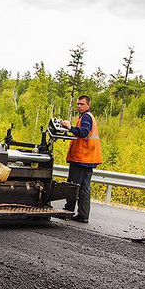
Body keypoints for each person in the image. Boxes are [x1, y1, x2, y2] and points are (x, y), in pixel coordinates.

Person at [60, 95, 103, 223]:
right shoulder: (89, 117)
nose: (79, 106)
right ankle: (83, 215)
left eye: (82, 104)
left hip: (81, 158)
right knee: (84, 187)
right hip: (89, 159)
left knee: (72, 185)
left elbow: (83, 133)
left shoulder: (86, 118)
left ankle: (68, 211)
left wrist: (69, 127)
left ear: (88, 105)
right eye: (78, 104)